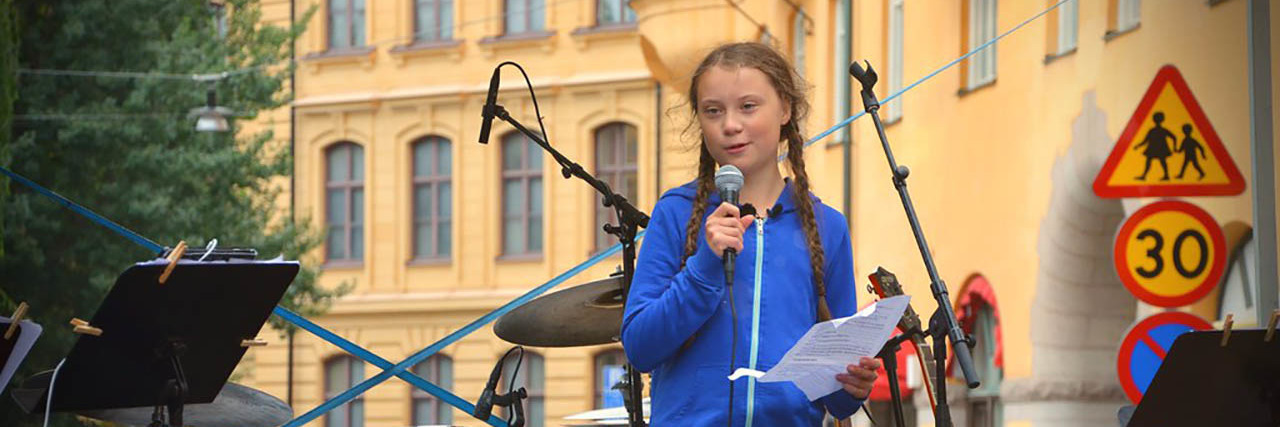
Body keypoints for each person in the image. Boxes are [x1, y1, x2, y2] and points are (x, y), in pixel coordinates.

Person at [620, 42, 879, 426]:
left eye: (748, 106)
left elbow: (838, 402)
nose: (730, 125)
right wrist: (703, 268)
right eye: (713, 111)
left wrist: (852, 386)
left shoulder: (828, 227)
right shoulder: (675, 213)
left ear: (785, 110)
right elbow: (640, 347)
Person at [1132, 111, 1176, 181]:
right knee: (1154, 161)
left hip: (1158, 149)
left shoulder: (1155, 130)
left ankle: (1165, 175)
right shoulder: (1157, 130)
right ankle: (1145, 176)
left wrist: (1174, 147)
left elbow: (1173, 137)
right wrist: (1138, 146)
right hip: (1154, 149)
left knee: (1160, 161)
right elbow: (1146, 140)